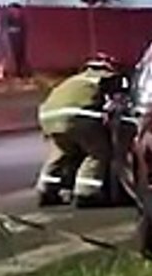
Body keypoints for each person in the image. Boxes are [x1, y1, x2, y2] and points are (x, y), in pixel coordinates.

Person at [35, 54, 122, 207]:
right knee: (97, 153)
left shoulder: (74, 80)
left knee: (62, 153)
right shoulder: (105, 77)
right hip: (76, 117)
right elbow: (116, 100)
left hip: (48, 117)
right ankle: (86, 194)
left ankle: (46, 191)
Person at [4, 3, 29, 79]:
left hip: (20, 39)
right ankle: (19, 72)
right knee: (17, 56)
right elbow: (7, 28)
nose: (11, 11)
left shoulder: (21, 18)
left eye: (12, 9)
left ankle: (23, 72)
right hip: (13, 39)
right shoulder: (9, 18)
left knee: (21, 56)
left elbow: (23, 29)